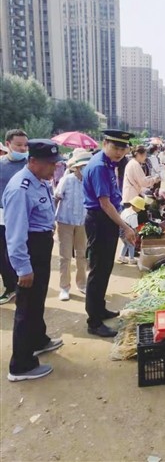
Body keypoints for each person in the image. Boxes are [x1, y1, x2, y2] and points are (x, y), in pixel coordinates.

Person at [2, 140, 64, 382]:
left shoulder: (39, 180)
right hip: (29, 249)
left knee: (37, 300)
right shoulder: (20, 188)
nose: (54, 169)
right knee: (26, 307)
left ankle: (38, 340)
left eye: (55, 163)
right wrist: (23, 268)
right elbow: (15, 234)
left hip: (40, 245)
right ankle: (21, 365)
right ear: (33, 161)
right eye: (50, 164)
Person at [83, 130, 136, 338]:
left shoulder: (108, 163)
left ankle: (100, 308)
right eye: (115, 147)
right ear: (105, 143)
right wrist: (125, 226)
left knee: (105, 268)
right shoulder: (98, 166)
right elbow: (104, 204)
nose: (119, 152)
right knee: (98, 271)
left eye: (123, 148)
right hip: (100, 221)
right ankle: (93, 321)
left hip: (107, 220)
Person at [55, 149, 92, 301]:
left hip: (82, 222)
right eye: (82, 166)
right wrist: (52, 220)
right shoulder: (67, 180)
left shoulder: (90, 181)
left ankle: (82, 284)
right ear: (76, 167)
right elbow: (57, 197)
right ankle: (64, 287)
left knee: (81, 255)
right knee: (65, 256)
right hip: (65, 221)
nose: (84, 169)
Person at [0, 129, 29, 305]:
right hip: (2, 216)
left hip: (23, 216)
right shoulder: (1, 165)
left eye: (25, 145)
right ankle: (10, 288)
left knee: (19, 253)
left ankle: (23, 289)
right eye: (18, 145)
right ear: (8, 144)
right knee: (3, 255)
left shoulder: (30, 164)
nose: (22, 148)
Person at [118, 196, 146, 264]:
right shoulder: (133, 215)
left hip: (121, 231)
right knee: (132, 245)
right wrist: (136, 235)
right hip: (128, 232)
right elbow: (135, 227)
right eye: (140, 208)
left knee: (125, 244)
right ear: (136, 207)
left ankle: (121, 256)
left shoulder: (126, 210)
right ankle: (131, 259)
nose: (140, 210)